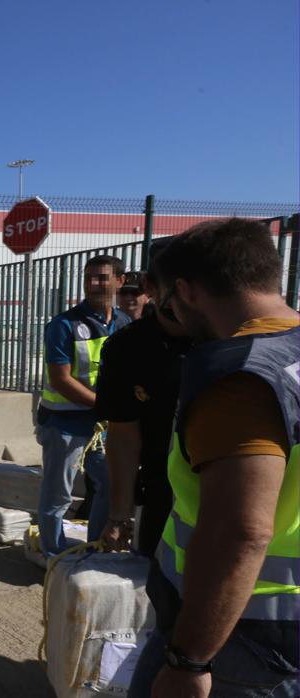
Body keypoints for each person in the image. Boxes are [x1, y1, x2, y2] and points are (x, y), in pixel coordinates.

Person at [128, 218, 299, 698]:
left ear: (185, 291)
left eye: (166, 303)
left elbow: (240, 533)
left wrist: (188, 661)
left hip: (242, 636)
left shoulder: (241, 378)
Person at [96, 239, 190, 557]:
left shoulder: (233, 341)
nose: (187, 298)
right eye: (175, 286)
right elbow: (123, 436)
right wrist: (119, 516)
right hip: (161, 496)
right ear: (152, 286)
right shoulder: (129, 348)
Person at [35, 255, 128, 558]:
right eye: (90, 277)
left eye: (102, 277)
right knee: (58, 493)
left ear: (119, 281)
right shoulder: (63, 325)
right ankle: (53, 554)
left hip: (102, 425)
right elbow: (61, 380)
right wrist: (106, 407)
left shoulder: (124, 324)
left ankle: (95, 548)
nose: (94, 284)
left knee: (108, 485)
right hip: (64, 423)